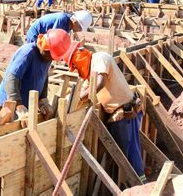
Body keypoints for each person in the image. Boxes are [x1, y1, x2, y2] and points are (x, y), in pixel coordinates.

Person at [62, 42, 147, 183]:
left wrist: (80, 96)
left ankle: (142, 185)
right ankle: (135, 184)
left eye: (75, 66)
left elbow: (100, 82)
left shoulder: (99, 58)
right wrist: (69, 99)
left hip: (125, 113)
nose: (76, 70)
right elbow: (82, 93)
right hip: (120, 115)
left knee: (128, 153)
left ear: (79, 57)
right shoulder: (91, 73)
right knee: (124, 154)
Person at [0, 29, 72, 124]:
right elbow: (11, 78)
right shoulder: (27, 53)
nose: (51, 59)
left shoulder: (46, 56)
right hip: (10, 104)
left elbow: (44, 75)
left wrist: (43, 100)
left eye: (52, 57)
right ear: (44, 48)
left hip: (26, 104)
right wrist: (18, 105)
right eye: (50, 56)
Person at [26, 10, 93, 43]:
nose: (80, 30)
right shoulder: (62, 19)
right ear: (75, 22)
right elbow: (53, 38)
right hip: (35, 35)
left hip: (43, 37)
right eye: (80, 28)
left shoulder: (69, 25)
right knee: (35, 58)